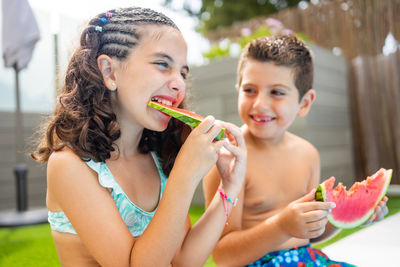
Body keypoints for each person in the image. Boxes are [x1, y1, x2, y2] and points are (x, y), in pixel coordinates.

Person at [31, 7, 247, 267]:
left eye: (183, 72)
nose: (179, 83)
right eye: (162, 64)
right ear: (109, 72)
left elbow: (184, 261)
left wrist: (229, 187)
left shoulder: (157, 158)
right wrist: (185, 175)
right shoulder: (69, 165)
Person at [203, 35, 389, 267]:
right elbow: (223, 257)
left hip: (305, 259)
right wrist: (281, 226)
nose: (259, 103)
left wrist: (348, 217)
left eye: (277, 92)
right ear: (238, 90)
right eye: (250, 90)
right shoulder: (227, 159)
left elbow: (309, 234)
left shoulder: (308, 154)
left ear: (305, 103)